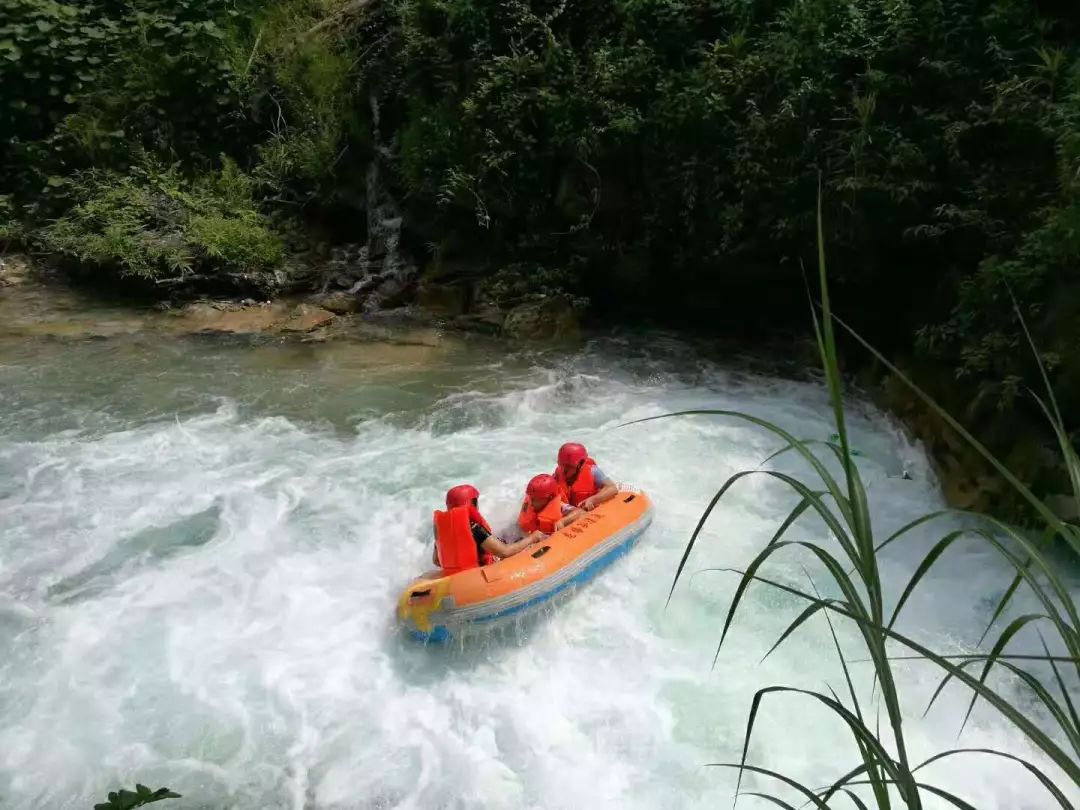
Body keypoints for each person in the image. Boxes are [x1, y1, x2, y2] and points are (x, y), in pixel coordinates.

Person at [431, 484, 537, 572]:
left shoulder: (441, 530)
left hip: (460, 576)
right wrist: (533, 538)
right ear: (472, 504)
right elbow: (504, 552)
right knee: (520, 540)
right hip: (479, 574)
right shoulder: (474, 528)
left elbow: (436, 560)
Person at [516, 473, 582, 543]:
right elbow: (520, 525)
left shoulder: (561, 507)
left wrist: (564, 521)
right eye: (531, 498)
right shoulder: (529, 504)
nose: (531, 503)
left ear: (549, 498)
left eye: (536, 500)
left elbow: (580, 512)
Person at [553, 442, 618, 511]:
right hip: (572, 511)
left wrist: (592, 500)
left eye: (569, 467)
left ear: (581, 464)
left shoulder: (593, 471)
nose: (563, 470)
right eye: (561, 465)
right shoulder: (557, 475)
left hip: (591, 511)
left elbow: (612, 488)